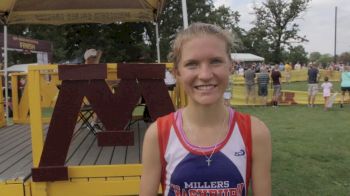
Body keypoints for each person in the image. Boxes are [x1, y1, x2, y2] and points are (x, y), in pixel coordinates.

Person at [140, 23, 271, 196]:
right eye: (192, 64)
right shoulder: (158, 133)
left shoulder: (255, 132)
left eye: (215, 61)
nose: (205, 75)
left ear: (230, 66)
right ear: (177, 72)